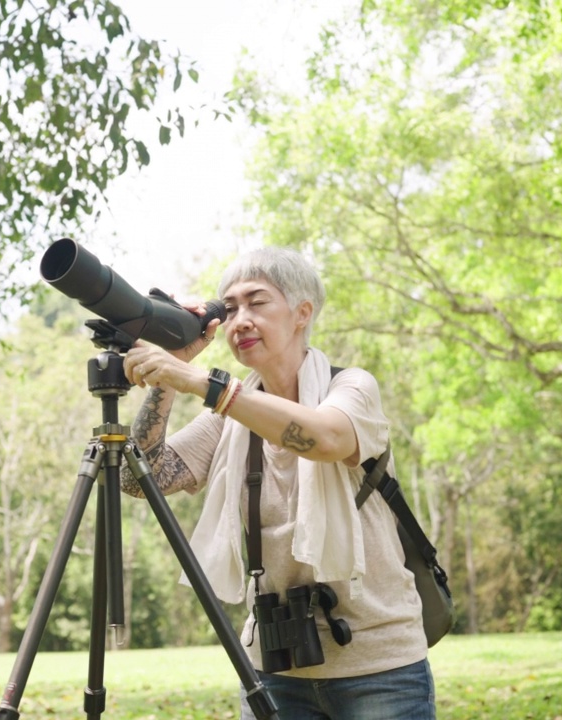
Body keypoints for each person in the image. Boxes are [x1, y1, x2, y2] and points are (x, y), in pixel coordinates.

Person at [118, 247, 434, 720]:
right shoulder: (229, 422)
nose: (239, 320)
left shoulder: (350, 387)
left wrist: (206, 384)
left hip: (379, 667)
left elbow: (325, 437)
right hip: (274, 671)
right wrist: (169, 371)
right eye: (229, 308)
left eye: (257, 302)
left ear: (302, 313)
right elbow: (139, 478)